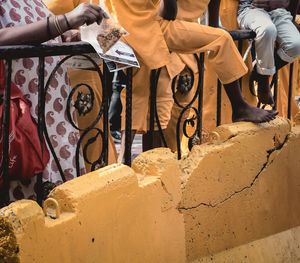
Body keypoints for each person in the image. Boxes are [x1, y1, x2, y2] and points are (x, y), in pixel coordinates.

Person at [0, 1, 107, 203]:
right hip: (20, 119)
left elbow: (30, 30)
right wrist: (64, 21)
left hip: (54, 117)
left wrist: (62, 36)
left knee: (61, 204)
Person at [45, 0, 118, 171]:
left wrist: (80, 36)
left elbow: (113, 35)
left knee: (89, 149)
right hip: (35, 80)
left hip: (80, 78)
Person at [237, 0, 300, 105]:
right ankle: (263, 82)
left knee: (296, 45)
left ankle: (260, 74)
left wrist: (289, 10)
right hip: (251, 9)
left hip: (279, 12)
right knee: (268, 29)